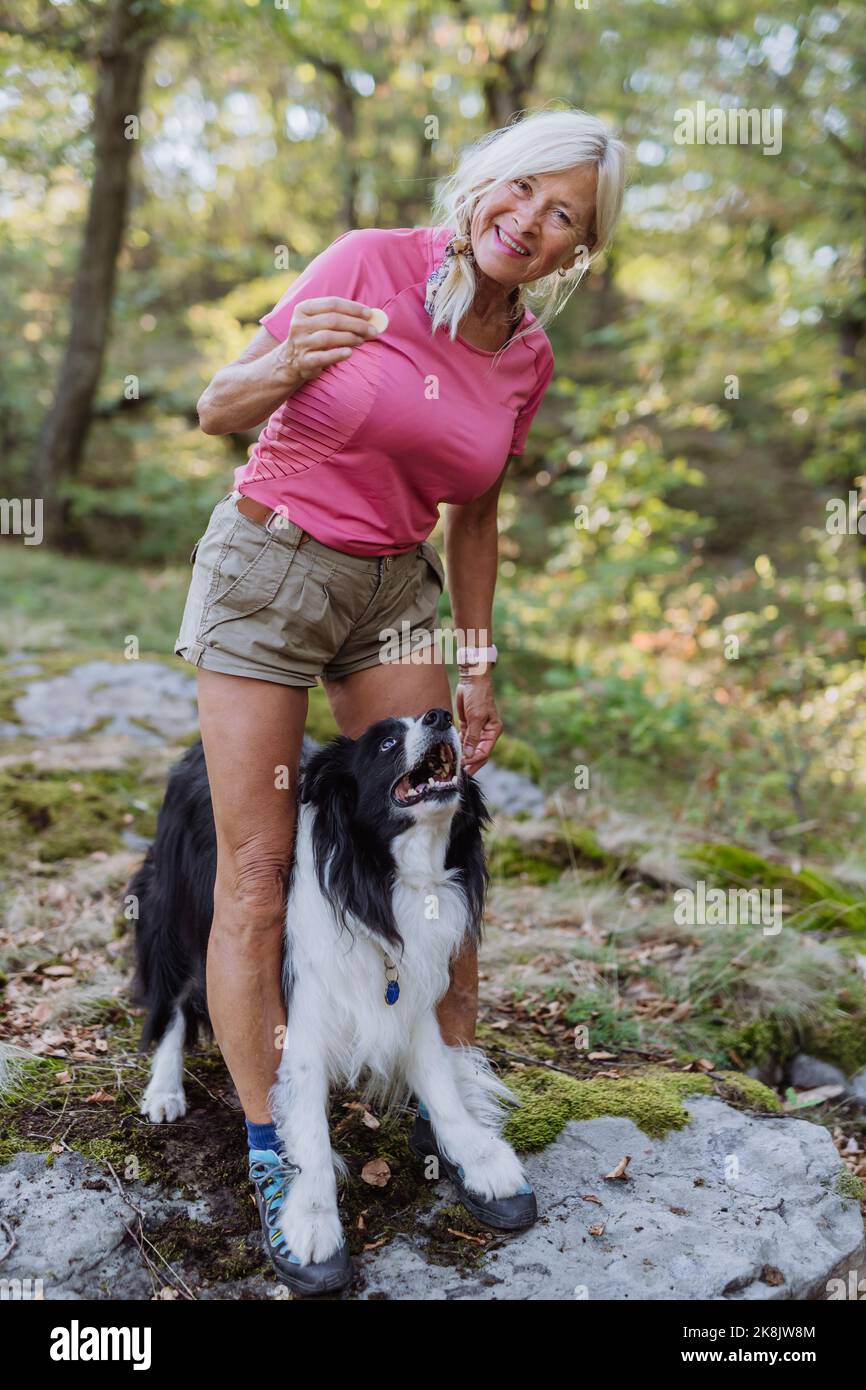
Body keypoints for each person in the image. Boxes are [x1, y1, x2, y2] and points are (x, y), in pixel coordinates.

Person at [175, 106, 626, 1287]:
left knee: (445, 835)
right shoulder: (366, 261)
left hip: (395, 590)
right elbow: (219, 408)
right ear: (483, 184)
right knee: (259, 873)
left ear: (576, 249)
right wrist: (284, 363)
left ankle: (452, 1097)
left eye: (561, 214)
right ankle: (282, 1147)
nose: (527, 221)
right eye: (519, 191)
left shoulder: (524, 354)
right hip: (270, 568)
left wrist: (476, 657)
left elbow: (475, 509)